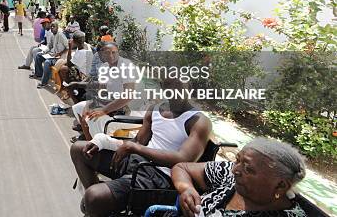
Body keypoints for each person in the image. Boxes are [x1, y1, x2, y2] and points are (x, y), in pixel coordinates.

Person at [70, 89, 212, 217]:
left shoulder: (198, 121)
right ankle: (100, 207)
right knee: (78, 149)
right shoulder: (156, 109)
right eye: (169, 84)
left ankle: (96, 203)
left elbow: (183, 159)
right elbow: (138, 141)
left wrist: (135, 148)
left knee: (93, 197)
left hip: (160, 176)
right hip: (137, 162)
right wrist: (103, 141)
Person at [172, 137, 307, 217]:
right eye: (237, 160)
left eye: (248, 169)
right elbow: (182, 168)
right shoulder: (230, 176)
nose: (234, 169)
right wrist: (187, 189)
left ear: (281, 185)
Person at [71, 42, 137, 141]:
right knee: (81, 108)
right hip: (109, 101)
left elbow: (128, 96)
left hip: (124, 106)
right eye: (107, 53)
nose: (111, 56)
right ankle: (89, 141)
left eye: (114, 52)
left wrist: (103, 110)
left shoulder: (126, 66)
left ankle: (97, 143)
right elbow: (101, 91)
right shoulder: (104, 67)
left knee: (93, 117)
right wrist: (88, 105)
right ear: (102, 55)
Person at [56, 31, 93, 102]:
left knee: (63, 69)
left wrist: (70, 48)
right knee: (64, 66)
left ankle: (73, 98)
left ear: (74, 42)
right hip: (85, 71)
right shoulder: (85, 45)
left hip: (85, 76)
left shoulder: (82, 52)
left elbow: (69, 64)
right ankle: (67, 89)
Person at [32, 21, 68, 88]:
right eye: (51, 26)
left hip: (59, 57)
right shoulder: (52, 35)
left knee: (47, 62)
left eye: (53, 26)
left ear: (57, 28)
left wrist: (59, 53)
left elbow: (67, 47)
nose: (52, 28)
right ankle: (39, 74)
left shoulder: (61, 35)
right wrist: (44, 51)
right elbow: (49, 46)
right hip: (52, 54)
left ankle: (44, 83)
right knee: (38, 55)